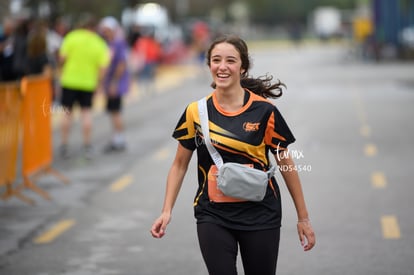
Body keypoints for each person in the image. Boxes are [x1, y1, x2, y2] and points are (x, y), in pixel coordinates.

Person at [150, 34, 315, 275]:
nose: (222, 67)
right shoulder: (196, 112)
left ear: (243, 67)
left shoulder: (265, 111)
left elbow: (286, 165)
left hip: (261, 214)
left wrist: (303, 218)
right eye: (216, 60)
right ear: (209, 66)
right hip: (213, 214)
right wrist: (166, 210)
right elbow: (179, 166)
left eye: (231, 60)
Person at [58, 14, 110, 159]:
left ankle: (64, 145)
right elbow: (103, 67)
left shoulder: (71, 37)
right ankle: (87, 146)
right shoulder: (99, 42)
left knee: (67, 113)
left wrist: (62, 70)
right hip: (88, 83)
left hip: (69, 81)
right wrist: (99, 84)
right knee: (86, 113)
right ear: (94, 28)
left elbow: (62, 58)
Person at [99, 16, 130, 153]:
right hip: (110, 83)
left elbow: (121, 64)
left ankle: (119, 139)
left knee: (115, 110)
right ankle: (116, 138)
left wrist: (114, 82)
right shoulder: (109, 43)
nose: (104, 32)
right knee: (112, 111)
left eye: (107, 30)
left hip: (115, 84)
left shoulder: (118, 43)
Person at [132, 27, 162, 96]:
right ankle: (143, 90)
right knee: (144, 76)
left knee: (150, 75)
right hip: (144, 61)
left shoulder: (151, 41)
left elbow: (156, 50)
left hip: (151, 61)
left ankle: (149, 89)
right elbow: (136, 51)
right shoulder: (141, 41)